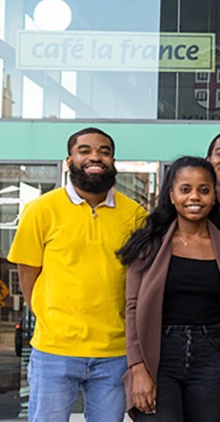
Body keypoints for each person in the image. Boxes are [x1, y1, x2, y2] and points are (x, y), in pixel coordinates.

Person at [9, 127, 146, 422]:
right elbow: (27, 276)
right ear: (69, 159)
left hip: (114, 353)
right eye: (84, 150)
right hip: (54, 351)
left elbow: (141, 280)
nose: (95, 157)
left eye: (104, 151)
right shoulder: (41, 210)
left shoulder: (135, 214)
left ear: (113, 161)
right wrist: (52, 318)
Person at [118, 156, 220, 421]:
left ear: (214, 196)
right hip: (159, 353)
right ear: (172, 195)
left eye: (204, 190)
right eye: (185, 189)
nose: (195, 197)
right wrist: (137, 367)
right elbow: (131, 307)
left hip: (213, 355)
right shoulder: (149, 245)